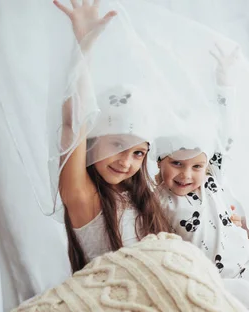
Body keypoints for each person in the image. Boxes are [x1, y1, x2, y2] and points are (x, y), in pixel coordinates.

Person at [54, 0, 170, 273]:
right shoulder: (83, 195)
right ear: (94, 141)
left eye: (138, 153)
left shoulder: (141, 196)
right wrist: (84, 46)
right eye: (118, 144)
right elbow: (73, 122)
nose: (126, 161)